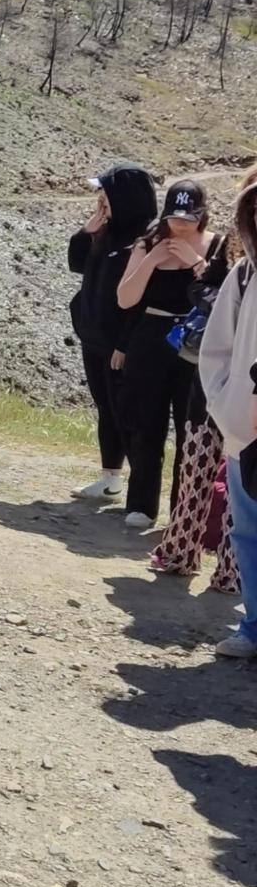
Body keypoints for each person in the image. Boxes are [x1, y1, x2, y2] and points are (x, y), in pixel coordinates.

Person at [150, 185, 246, 587]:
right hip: (214, 371)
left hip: (243, 379)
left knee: (241, 482)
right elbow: (201, 292)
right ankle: (181, 550)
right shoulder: (230, 248)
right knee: (198, 463)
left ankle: (232, 570)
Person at [115, 180, 218, 530]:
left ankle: (183, 510)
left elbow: (224, 293)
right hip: (152, 336)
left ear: (202, 215)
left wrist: (196, 262)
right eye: (175, 217)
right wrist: (152, 261)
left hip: (195, 341)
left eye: (189, 218)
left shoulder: (216, 246)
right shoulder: (148, 243)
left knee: (191, 426)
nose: (181, 224)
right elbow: (125, 299)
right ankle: (141, 504)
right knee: (146, 422)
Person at [67, 164, 157, 503]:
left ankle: (142, 492)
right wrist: (88, 229)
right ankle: (110, 478)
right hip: (94, 336)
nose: (99, 198)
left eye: (105, 192)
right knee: (106, 407)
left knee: (128, 413)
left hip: (121, 343)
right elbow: (76, 263)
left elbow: (143, 300)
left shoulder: (146, 237)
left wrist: (124, 343)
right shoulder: (107, 230)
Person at [198, 172, 257, 656]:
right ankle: (254, 626)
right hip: (245, 434)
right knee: (248, 530)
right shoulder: (244, 275)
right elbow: (216, 350)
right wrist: (228, 406)